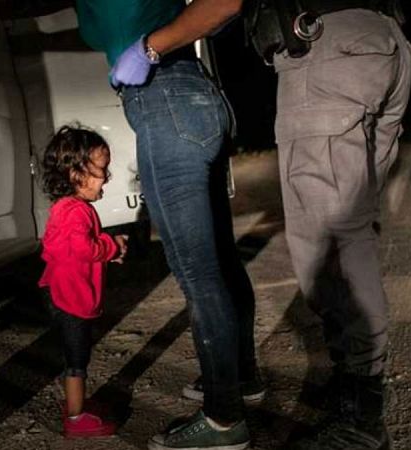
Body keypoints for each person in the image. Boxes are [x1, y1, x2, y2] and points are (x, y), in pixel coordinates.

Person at [108, 0, 411, 448]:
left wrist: (150, 47)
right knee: (353, 231)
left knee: (329, 243)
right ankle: (354, 388)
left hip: (328, 48)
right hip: (381, 39)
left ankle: (360, 419)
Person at [76, 1, 265, 449]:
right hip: (195, 96)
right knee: (219, 259)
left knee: (198, 272)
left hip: (164, 102)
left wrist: (147, 50)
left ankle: (223, 420)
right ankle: (240, 379)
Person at [38, 124, 128, 438]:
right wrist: (111, 246)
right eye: (102, 170)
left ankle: (76, 405)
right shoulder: (75, 212)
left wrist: (107, 251)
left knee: (74, 355)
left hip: (60, 293)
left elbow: (70, 249)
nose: (107, 177)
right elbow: (83, 249)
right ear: (76, 174)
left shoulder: (67, 208)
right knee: (77, 359)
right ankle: (75, 418)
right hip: (69, 299)